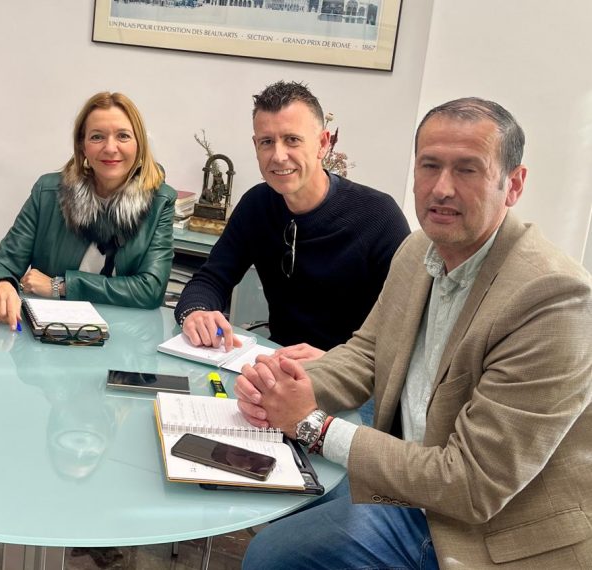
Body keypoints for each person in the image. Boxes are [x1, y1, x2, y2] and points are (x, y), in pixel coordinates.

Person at [236, 98, 592, 569]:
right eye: (429, 166)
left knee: (270, 556)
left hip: (482, 528)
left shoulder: (555, 299)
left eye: (467, 170)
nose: (441, 188)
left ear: (514, 184)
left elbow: (470, 484)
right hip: (414, 482)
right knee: (286, 504)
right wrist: (285, 389)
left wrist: (312, 425)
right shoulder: (420, 248)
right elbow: (369, 351)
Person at [174, 81, 409, 356]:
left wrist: (335, 365)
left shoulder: (378, 216)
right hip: (277, 366)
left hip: (353, 382)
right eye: (267, 142)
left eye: (292, 140)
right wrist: (197, 312)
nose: (279, 156)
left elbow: (405, 332)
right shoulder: (257, 205)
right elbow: (210, 279)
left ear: (323, 143)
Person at [0, 91, 176, 326]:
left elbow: (149, 290)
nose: (110, 148)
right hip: (50, 334)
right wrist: (0, 284)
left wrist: (61, 286)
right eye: (97, 137)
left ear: (139, 145)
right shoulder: (48, 192)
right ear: (82, 147)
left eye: (123, 136)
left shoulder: (161, 201)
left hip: (125, 338)